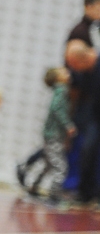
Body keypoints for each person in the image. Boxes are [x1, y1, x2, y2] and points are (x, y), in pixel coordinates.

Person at [18, 68, 76, 201]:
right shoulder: (62, 90)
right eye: (64, 72)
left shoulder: (59, 90)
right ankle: (54, 195)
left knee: (49, 164)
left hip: (51, 134)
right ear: (58, 78)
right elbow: (56, 109)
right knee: (60, 167)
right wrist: (68, 125)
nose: (68, 73)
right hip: (54, 135)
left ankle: (34, 187)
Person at [64, 0, 100, 204]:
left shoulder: (91, 32)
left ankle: (87, 190)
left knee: (88, 148)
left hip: (92, 108)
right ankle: (83, 189)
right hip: (89, 107)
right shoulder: (81, 31)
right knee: (85, 147)